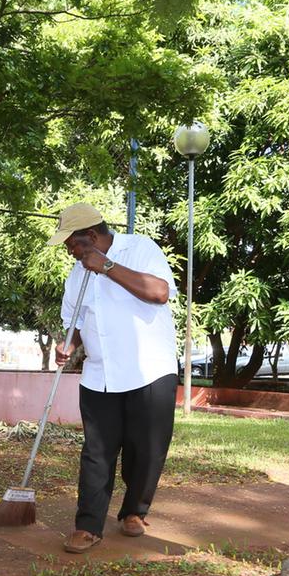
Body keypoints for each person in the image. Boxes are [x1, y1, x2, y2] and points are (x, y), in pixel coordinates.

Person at [48, 203, 179, 554]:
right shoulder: (76, 274)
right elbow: (75, 321)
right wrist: (68, 346)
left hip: (149, 369)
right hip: (100, 374)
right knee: (97, 452)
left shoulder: (140, 248)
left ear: (91, 237)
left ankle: (134, 511)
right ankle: (88, 525)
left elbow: (159, 292)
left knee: (145, 449)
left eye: (72, 245)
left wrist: (106, 267)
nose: (70, 252)